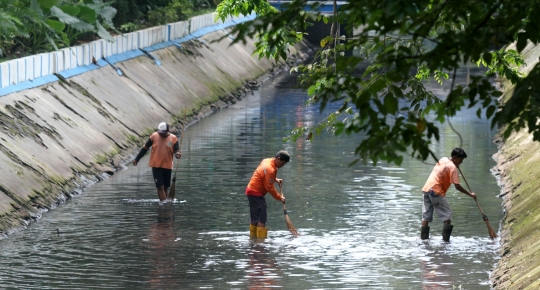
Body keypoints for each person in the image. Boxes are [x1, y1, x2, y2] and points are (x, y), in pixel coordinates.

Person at [421, 147, 477, 241]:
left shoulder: (443, 159)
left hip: (427, 189)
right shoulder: (453, 168)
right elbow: (457, 186)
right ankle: (445, 243)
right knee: (447, 216)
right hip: (436, 192)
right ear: (455, 158)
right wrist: (470, 194)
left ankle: (423, 240)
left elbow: (445, 169)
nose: (461, 162)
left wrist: (455, 165)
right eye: (460, 160)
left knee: (426, 217)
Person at [246, 150, 290, 238]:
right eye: (283, 163)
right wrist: (279, 197)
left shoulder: (267, 161)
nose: (283, 166)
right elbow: (269, 188)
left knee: (255, 218)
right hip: (256, 193)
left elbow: (264, 175)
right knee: (261, 219)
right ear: (278, 159)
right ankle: (261, 243)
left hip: (250, 191)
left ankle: (253, 240)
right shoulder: (270, 169)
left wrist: (275, 179)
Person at [133, 122, 181, 202]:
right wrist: (137, 159)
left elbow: (176, 151)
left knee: (165, 187)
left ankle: (165, 206)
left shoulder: (173, 138)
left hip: (167, 166)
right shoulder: (154, 136)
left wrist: (177, 155)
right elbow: (145, 148)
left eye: (163, 133)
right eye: (160, 133)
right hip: (156, 165)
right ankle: (164, 205)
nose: (161, 135)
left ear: (167, 130)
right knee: (160, 187)